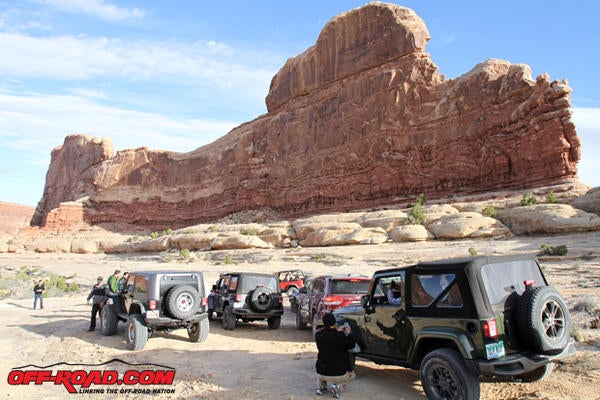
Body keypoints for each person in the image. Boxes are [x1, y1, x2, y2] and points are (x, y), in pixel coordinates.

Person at [315, 313, 356, 398]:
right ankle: (337, 387)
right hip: (338, 373)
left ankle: (321, 387)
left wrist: (337, 332)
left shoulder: (318, 335)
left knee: (323, 367)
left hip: (321, 371)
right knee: (352, 375)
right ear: (334, 322)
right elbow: (351, 345)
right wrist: (349, 334)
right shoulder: (340, 336)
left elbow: (329, 337)